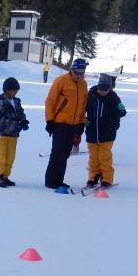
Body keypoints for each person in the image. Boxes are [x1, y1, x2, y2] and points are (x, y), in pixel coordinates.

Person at [44, 58, 88, 190]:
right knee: (57, 152)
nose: (79, 76)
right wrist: (50, 120)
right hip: (60, 123)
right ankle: (51, 181)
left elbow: (82, 106)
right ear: (72, 70)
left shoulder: (83, 85)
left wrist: (81, 123)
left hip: (74, 124)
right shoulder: (61, 81)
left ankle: (59, 180)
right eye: (77, 73)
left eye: (82, 73)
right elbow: (50, 101)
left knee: (65, 153)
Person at [85, 74, 127, 187]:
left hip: (107, 134)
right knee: (93, 157)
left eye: (106, 89)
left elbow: (122, 112)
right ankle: (93, 177)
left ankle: (107, 178)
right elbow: (83, 109)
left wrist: (120, 109)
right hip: (91, 132)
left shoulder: (113, 98)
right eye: (101, 89)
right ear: (98, 86)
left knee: (105, 157)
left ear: (110, 88)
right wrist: (84, 120)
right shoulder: (91, 95)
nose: (103, 91)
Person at [0, 77, 29, 187]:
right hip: (1, 134)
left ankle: (6, 177)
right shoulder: (0, 103)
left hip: (13, 134)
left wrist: (23, 121)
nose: (15, 93)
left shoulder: (16, 102)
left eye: (17, 91)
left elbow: (20, 113)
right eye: (13, 91)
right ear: (6, 90)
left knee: (10, 157)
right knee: (1, 156)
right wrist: (14, 123)